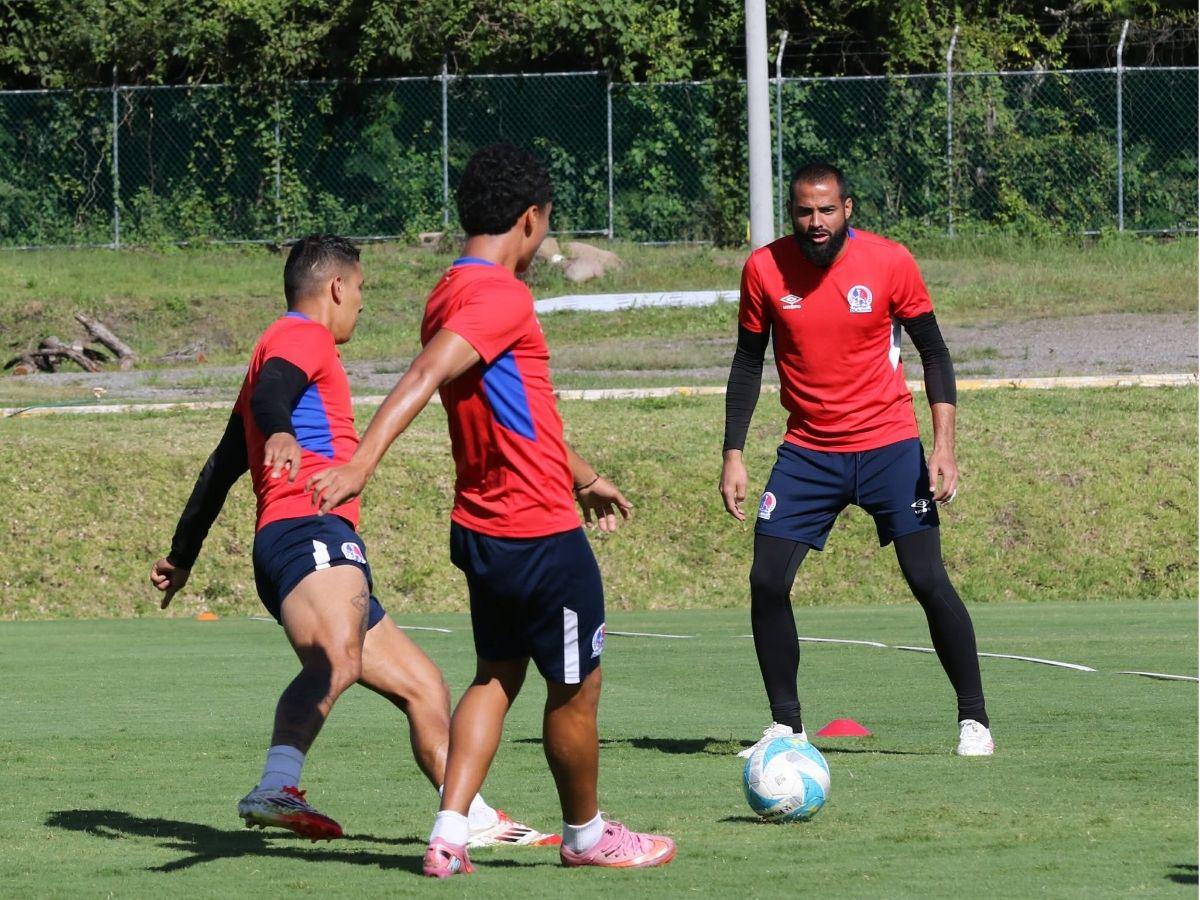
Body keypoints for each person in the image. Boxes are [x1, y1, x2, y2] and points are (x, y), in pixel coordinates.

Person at [306, 144, 677, 878]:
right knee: (575, 688)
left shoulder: (447, 290)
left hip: (483, 526)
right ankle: (587, 835)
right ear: (531, 220)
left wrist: (585, 475)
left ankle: (449, 834)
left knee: (495, 676)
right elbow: (427, 373)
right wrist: (363, 461)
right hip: (536, 531)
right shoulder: (503, 296)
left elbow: (517, 411)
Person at [149, 234, 555, 848]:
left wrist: (182, 556)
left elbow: (222, 463)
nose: (361, 303)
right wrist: (283, 431)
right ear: (336, 287)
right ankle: (275, 785)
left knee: (424, 686)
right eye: (360, 289)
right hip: (308, 528)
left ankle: (466, 814)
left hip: (303, 539)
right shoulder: (298, 337)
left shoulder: (271, 349)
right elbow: (272, 395)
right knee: (334, 661)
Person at [719, 161, 994, 759]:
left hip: (890, 445)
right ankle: (786, 728)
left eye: (826, 210)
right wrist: (733, 453)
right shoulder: (764, 268)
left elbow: (935, 353)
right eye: (803, 211)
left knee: (926, 578)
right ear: (791, 213)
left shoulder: (890, 263)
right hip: (808, 452)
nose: (814, 222)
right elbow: (746, 365)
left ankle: (974, 720)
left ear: (848, 210)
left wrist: (944, 446)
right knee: (767, 580)